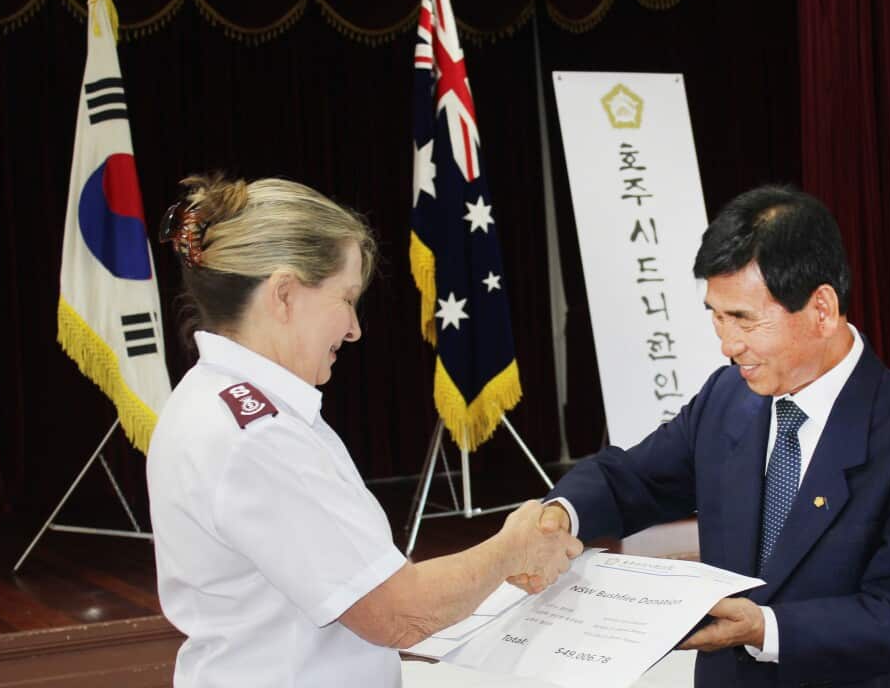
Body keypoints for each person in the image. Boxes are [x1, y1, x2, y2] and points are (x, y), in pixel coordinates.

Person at [518, 186, 890, 687]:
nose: (727, 345)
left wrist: (765, 628)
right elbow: (633, 479)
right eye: (716, 316)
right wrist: (558, 515)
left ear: (821, 309)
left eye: (743, 319)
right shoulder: (727, 398)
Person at [147, 174, 582, 687]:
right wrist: (513, 547)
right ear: (284, 294)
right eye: (346, 298)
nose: (354, 328)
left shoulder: (215, 398)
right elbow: (398, 614)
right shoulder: (257, 435)